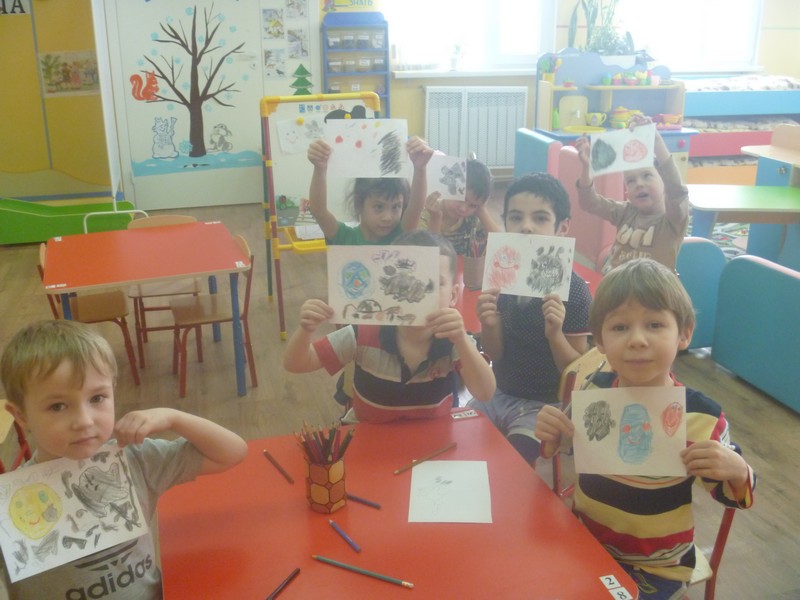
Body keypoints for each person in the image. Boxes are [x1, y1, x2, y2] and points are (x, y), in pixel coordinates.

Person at [535, 258, 755, 599]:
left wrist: (738, 471)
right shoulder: (593, 390)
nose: (637, 340)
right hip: (585, 540)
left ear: (684, 333)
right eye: (620, 327)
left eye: (654, 324)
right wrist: (551, 436)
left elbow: (731, 494)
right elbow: (567, 446)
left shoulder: (702, 416)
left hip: (658, 566)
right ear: (600, 340)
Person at [0, 320, 248, 599]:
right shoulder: (8, 506)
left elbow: (232, 452)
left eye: (97, 398)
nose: (84, 421)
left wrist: (173, 418)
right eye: (57, 406)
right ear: (21, 416)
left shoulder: (136, 460)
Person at [283, 230, 495, 423]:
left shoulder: (454, 339)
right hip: (369, 433)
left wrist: (462, 340)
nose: (418, 290)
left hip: (432, 439)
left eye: (434, 283)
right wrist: (305, 330)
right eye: (405, 280)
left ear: (453, 295)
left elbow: (485, 393)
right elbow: (296, 364)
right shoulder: (363, 332)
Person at [469, 173, 592, 463]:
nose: (526, 226)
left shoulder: (574, 291)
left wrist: (555, 334)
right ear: (505, 223)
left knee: (513, 464)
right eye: (515, 217)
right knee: (461, 442)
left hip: (545, 405)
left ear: (562, 227)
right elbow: (494, 353)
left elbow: (576, 373)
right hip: (498, 393)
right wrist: (489, 324)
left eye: (540, 218)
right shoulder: (502, 279)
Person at [575, 114, 689, 273]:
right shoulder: (625, 212)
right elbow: (589, 202)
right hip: (616, 284)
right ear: (626, 192)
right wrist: (587, 168)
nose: (639, 184)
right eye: (630, 181)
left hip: (650, 287)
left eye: (647, 175)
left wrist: (656, 140)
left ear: (664, 180)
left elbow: (676, 190)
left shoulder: (673, 219)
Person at [306, 136, 432, 245]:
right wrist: (320, 169)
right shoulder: (345, 237)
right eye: (378, 207)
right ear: (359, 203)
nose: (388, 217)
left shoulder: (401, 234)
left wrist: (420, 167)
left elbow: (416, 208)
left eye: (396, 207)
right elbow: (319, 211)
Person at [420, 158, 502, 256]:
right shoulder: (426, 215)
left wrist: (482, 211)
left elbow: (501, 244)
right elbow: (429, 256)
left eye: (472, 205)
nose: (463, 209)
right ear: (448, 187)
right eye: (461, 199)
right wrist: (435, 219)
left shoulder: (473, 217)